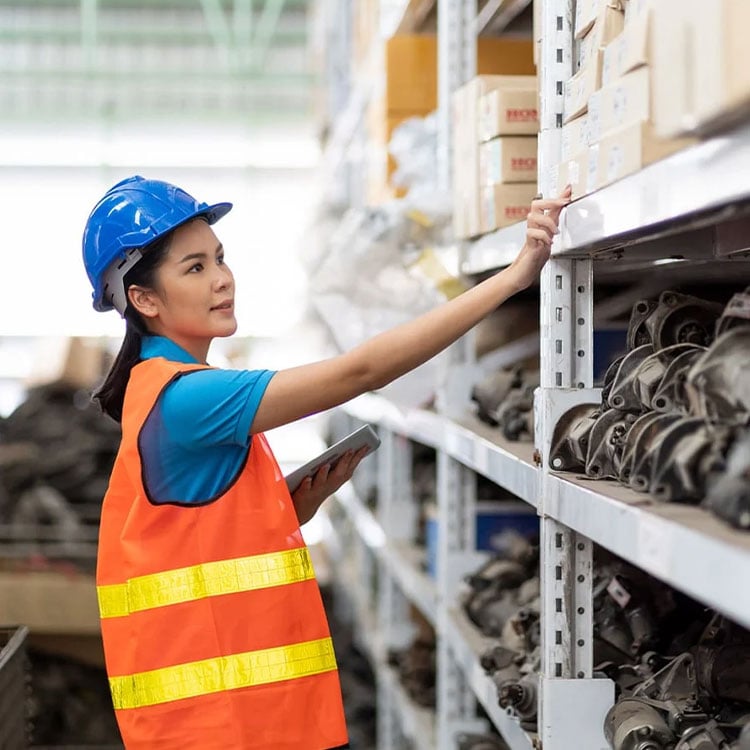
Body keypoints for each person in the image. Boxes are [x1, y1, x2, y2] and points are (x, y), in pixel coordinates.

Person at [82, 175, 570, 750]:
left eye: (219, 258)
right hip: (225, 728)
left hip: (231, 721)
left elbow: (193, 542)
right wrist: (514, 277)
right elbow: (357, 373)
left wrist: (285, 509)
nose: (222, 279)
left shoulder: (164, 388)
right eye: (194, 268)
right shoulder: (190, 397)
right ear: (144, 300)